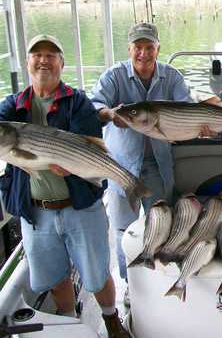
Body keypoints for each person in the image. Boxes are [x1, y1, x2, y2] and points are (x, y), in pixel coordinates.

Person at [0, 35, 129, 337]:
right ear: (28, 62)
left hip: (80, 206)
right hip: (36, 212)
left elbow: (86, 145)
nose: (43, 60)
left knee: (97, 275)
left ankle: (111, 320)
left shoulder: (78, 101)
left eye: (51, 55)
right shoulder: (12, 106)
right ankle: (70, 321)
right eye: (37, 55)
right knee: (57, 276)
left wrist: (66, 167)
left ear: (61, 63)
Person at [90, 22, 194, 306]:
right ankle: (129, 284)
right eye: (138, 47)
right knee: (123, 230)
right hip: (120, 166)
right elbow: (93, 104)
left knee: (163, 223)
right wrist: (110, 114)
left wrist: (201, 126)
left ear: (158, 49)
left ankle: (162, 277)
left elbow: (188, 108)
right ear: (129, 49)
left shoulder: (171, 77)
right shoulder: (113, 76)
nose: (144, 54)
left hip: (160, 165)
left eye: (150, 47)